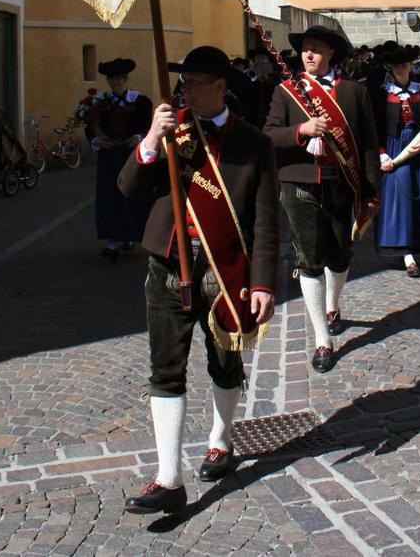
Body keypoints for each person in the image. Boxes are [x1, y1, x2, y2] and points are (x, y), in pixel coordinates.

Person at [118, 46, 278, 516]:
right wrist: (150, 139)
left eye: (192, 82)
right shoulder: (172, 129)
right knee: (165, 369)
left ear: (219, 87)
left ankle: (221, 440)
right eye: (181, 80)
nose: (183, 89)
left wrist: (264, 282)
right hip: (167, 263)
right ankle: (169, 479)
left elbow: (266, 221)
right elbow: (128, 187)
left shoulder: (254, 143)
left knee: (224, 364)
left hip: (223, 271)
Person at [264, 25, 380, 372]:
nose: (308, 55)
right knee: (309, 259)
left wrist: (371, 191)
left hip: (342, 183)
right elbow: (268, 135)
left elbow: (369, 144)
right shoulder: (286, 92)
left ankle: (333, 303)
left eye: (316, 49)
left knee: (340, 254)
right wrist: (301, 130)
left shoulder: (354, 92)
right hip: (298, 184)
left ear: (331, 54)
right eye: (305, 49)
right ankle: (322, 339)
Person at [371, 44, 420, 276]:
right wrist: (382, 153)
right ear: (391, 68)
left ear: (410, 67)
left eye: (404, 66)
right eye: (396, 66)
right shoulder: (382, 94)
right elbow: (375, 125)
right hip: (395, 148)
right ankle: (406, 253)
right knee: (400, 198)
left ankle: (418, 240)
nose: (400, 70)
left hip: (417, 146)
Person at [87, 58, 152, 260]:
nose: (117, 82)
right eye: (113, 79)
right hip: (110, 155)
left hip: (131, 154)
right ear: (109, 81)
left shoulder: (140, 102)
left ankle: (132, 237)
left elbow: (146, 126)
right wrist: (98, 140)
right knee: (110, 196)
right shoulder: (100, 103)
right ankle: (112, 242)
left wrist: (139, 137)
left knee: (133, 195)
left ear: (126, 79)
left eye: (120, 78)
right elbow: (90, 128)